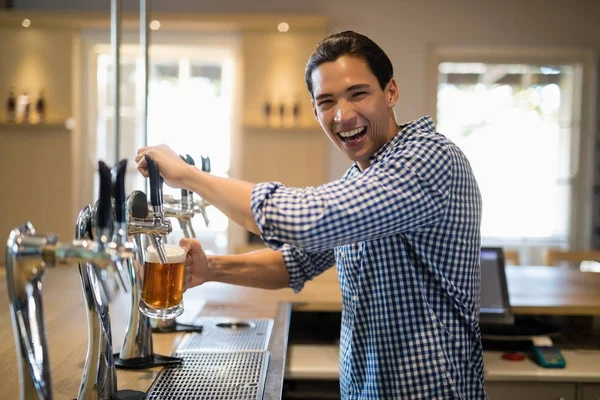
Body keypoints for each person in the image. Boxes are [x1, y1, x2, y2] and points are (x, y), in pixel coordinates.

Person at [135, 30, 485, 399]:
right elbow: (295, 264)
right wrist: (211, 270)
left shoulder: (427, 158)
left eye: (358, 94)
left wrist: (189, 176)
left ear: (391, 92)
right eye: (327, 101)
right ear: (316, 110)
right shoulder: (363, 178)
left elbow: (304, 220)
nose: (343, 115)